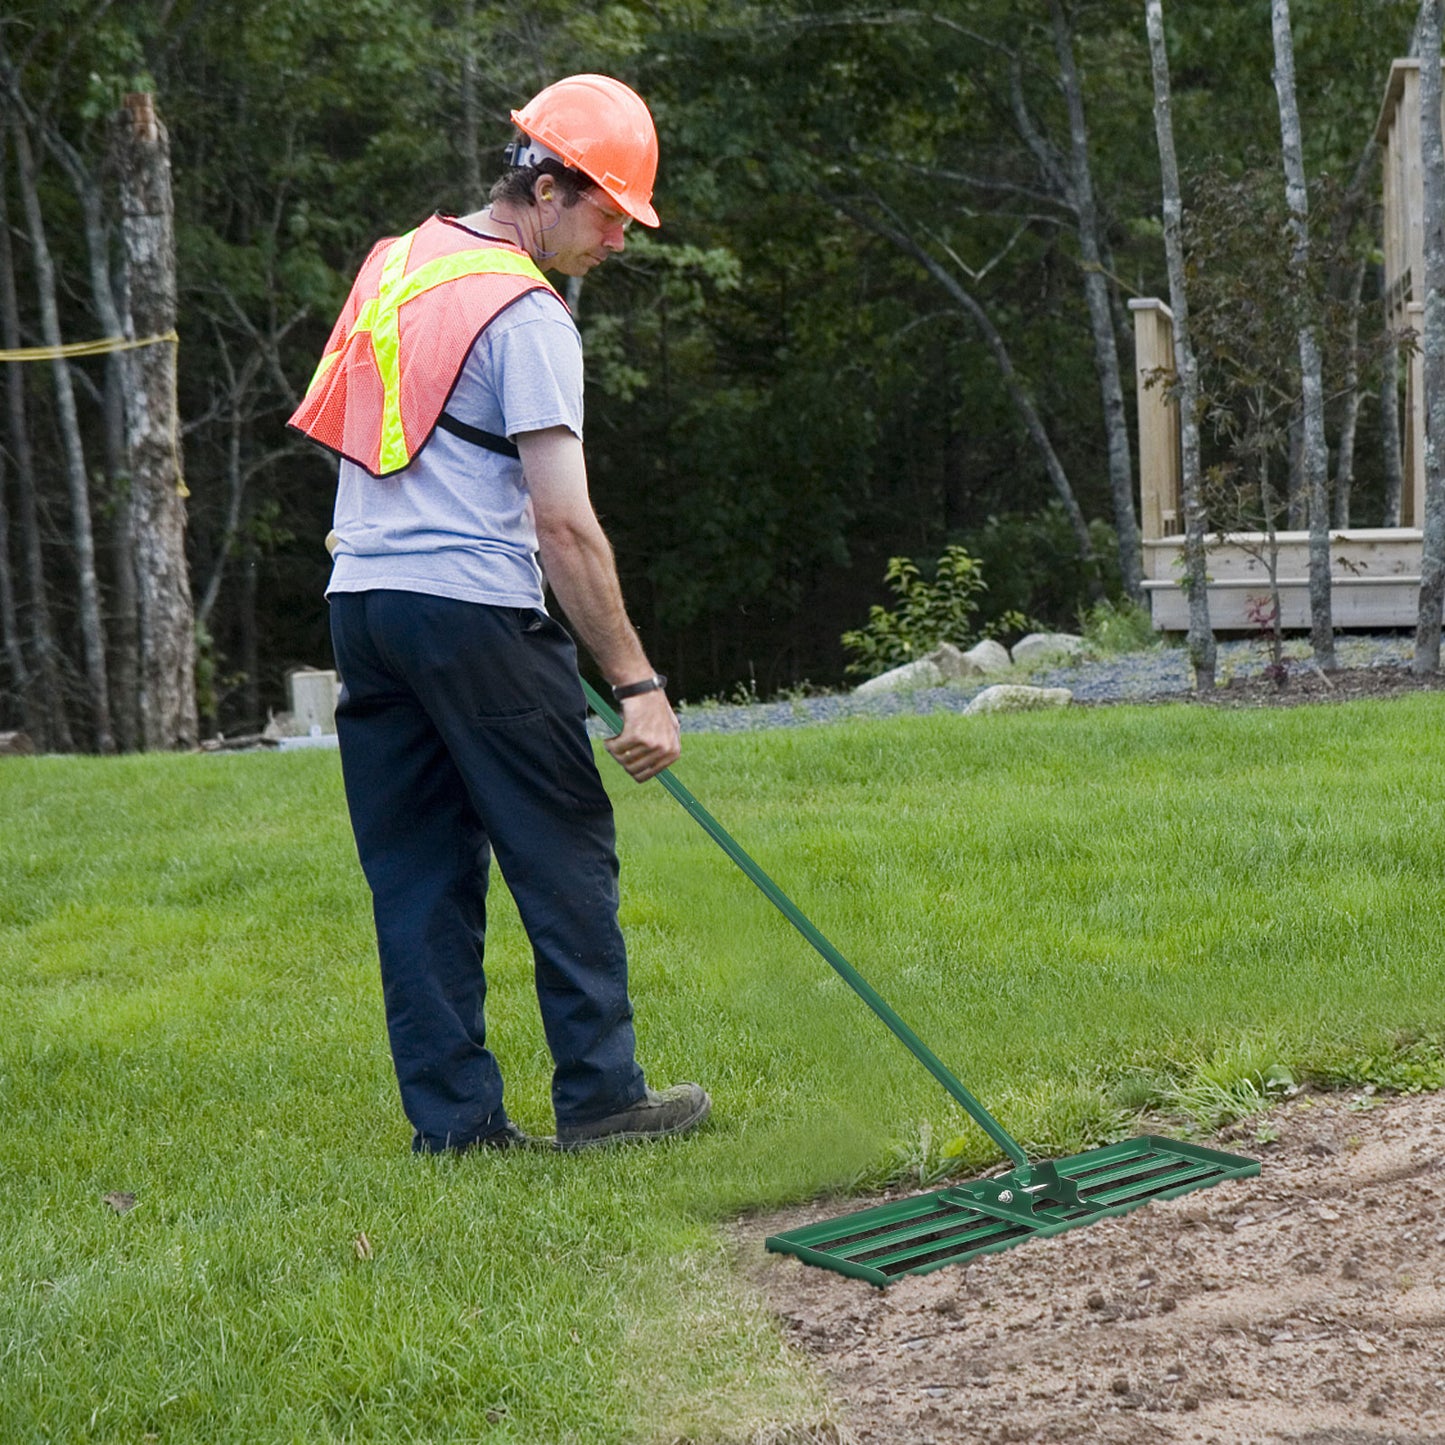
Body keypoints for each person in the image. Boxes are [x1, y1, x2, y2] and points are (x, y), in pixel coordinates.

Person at [288, 74, 709, 1154]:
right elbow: (563, 527)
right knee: (561, 849)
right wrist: (637, 683)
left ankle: (457, 1128)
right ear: (547, 183)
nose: (617, 239)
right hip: (471, 609)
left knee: (417, 870)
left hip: (363, 606)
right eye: (610, 212)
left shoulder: (398, 262)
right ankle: (604, 1099)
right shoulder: (526, 313)